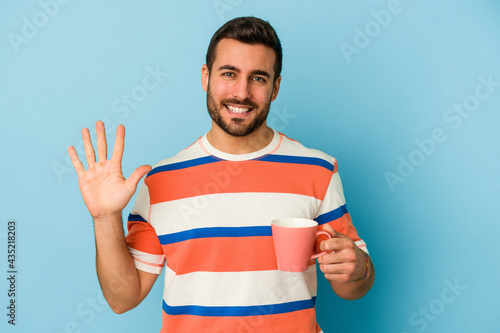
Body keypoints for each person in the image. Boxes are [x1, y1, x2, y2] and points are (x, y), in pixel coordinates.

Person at [68, 16, 374, 333]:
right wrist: (104, 218)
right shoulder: (160, 181)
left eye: (258, 78)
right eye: (229, 74)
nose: (241, 93)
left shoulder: (318, 169)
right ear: (206, 77)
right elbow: (122, 299)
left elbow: (352, 287)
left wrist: (358, 268)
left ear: (275, 87)